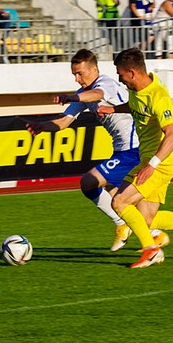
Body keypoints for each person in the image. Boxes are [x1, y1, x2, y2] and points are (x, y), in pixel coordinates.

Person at [96, 48, 173, 268]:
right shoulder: (137, 89)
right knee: (145, 218)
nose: (120, 79)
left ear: (131, 72)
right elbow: (136, 106)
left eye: (120, 74)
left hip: (160, 163)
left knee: (119, 202)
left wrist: (152, 165)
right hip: (148, 159)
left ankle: (151, 251)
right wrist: (113, 110)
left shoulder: (158, 95)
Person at [26, 49, 140, 249]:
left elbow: (97, 94)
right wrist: (41, 126)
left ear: (94, 69)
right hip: (123, 150)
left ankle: (122, 225)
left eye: (80, 74)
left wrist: (71, 98)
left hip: (135, 149)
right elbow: (63, 121)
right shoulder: (83, 94)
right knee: (121, 200)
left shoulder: (105, 84)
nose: (77, 79)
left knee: (89, 182)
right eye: (74, 75)